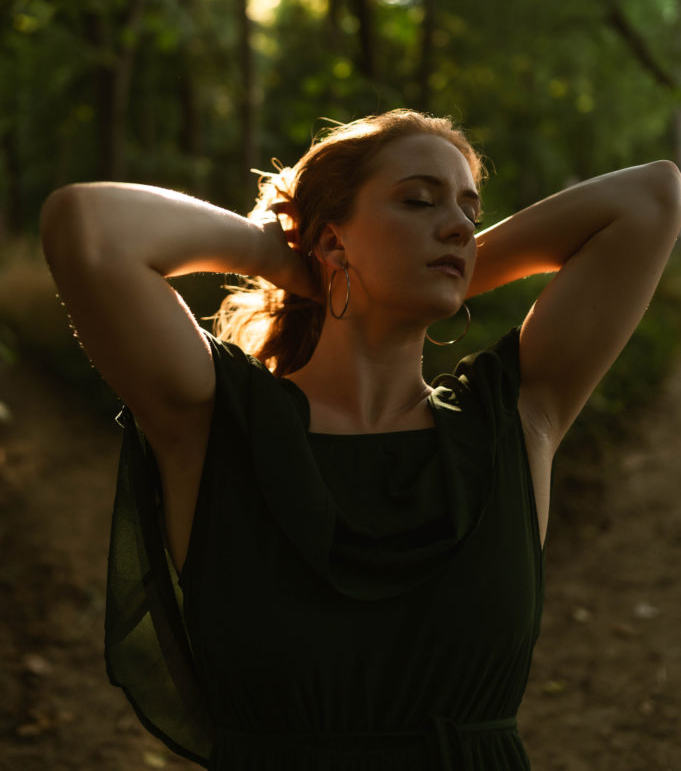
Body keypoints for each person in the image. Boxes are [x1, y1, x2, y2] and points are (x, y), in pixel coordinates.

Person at [40, 109, 681, 771]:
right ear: (330, 239)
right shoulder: (216, 419)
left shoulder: (512, 417)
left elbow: (653, 195)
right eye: (418, 199)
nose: (462, 225)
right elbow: (88, 229)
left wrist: (444, 262)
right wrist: (279, 256)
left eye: (469, 209)